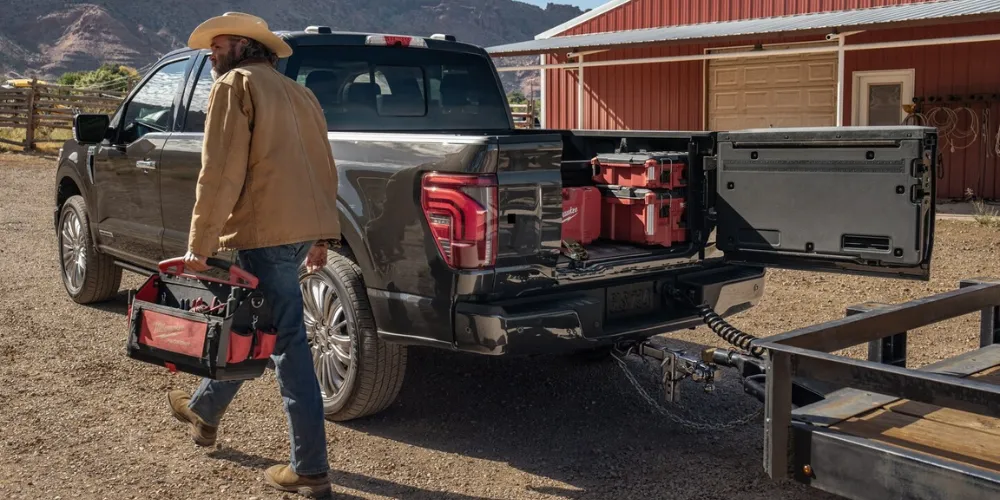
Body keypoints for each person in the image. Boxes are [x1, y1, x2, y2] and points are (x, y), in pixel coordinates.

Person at [164, 12, 340, 498]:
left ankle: (310, 470)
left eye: (218, 46)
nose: (212, 55)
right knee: (252, 329)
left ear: (244, 46)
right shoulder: (301, 93)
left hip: (264, 232)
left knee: (285, 343)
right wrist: (323, 235)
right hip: (300, 229)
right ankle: (204, 409)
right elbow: (324, 165)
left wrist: (199, 246)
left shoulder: (234, 86)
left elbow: (219, 173)